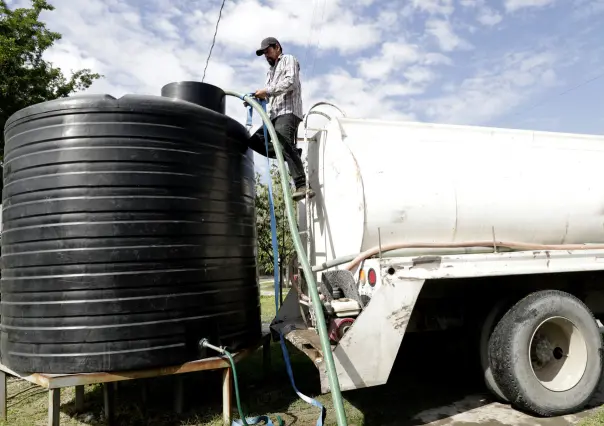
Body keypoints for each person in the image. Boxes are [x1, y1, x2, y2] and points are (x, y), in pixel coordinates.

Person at [247, 36, 315, 202]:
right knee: (255, 141)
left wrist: (267, 91)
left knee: (283, 141)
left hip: (288, 111)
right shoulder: (269, 73)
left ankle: (302, 185)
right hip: (273, 115)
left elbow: (290, 82)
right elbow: (269, 95)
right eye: (264, 54)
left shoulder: (288, 60)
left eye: (267, 51)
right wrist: (257, 98)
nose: (266, 56)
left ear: (277, 47)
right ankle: (292, 153)